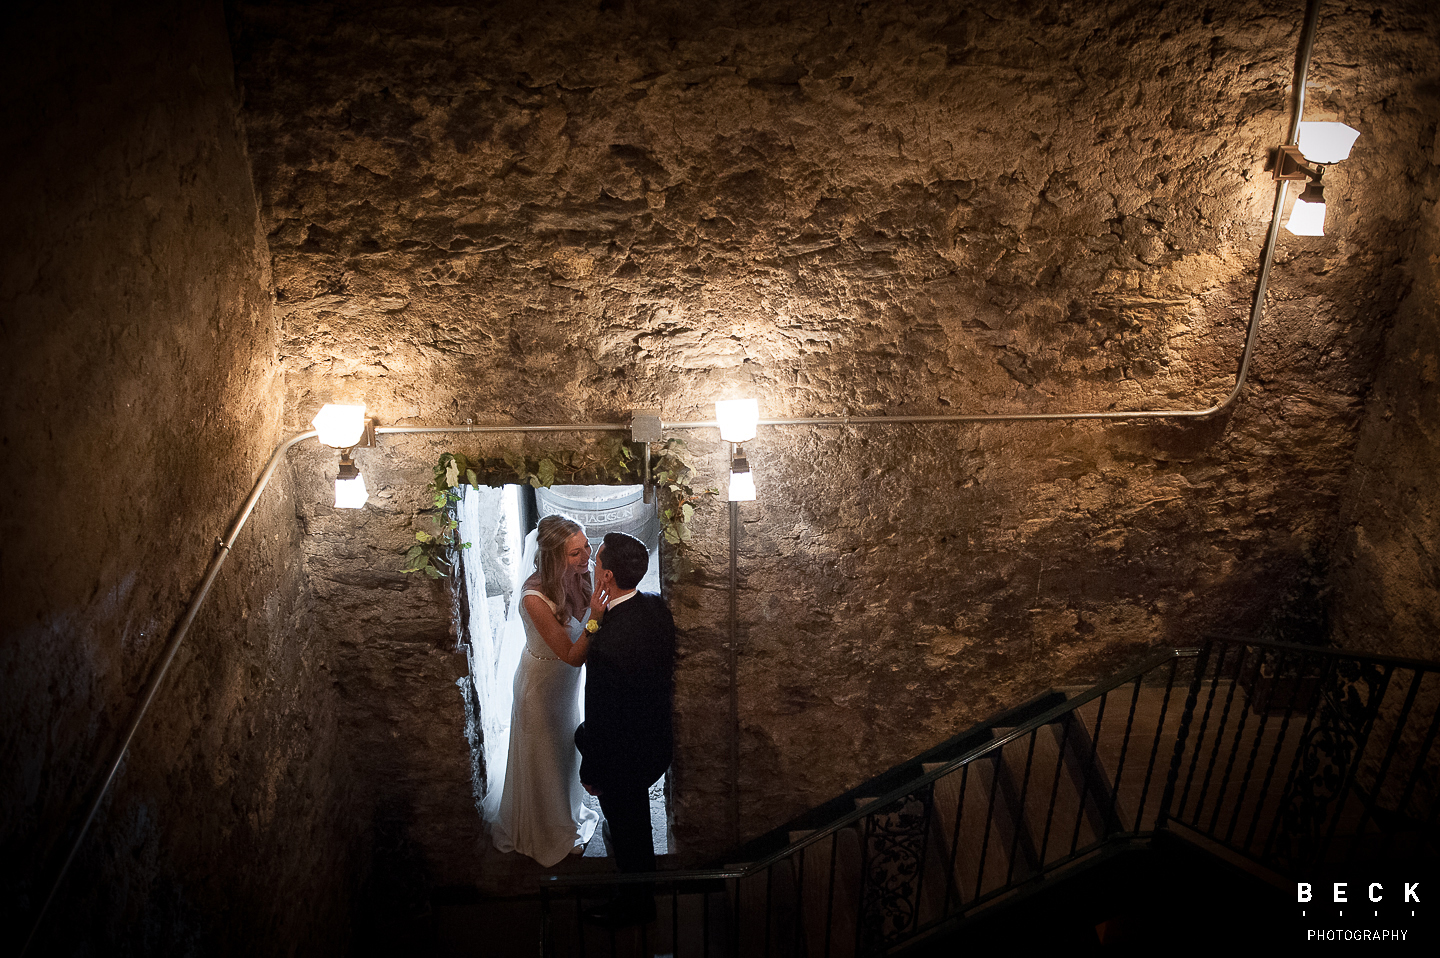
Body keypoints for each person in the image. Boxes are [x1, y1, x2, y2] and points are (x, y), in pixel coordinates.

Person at [574, 531, 676, 924]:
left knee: (630, 831)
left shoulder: (608, 641)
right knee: (634, 827)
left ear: (608, 577)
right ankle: (635, 891)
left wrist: (592, 770)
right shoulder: (655, 607)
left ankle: (635, 905)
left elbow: (600, 713)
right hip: (654, 742)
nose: (592, 565)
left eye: (597, 562)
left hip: (622, 758)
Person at [488, 515, 601, 866]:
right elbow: (571, 655)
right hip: (540, 687)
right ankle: (548, 832)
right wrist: (596, 616)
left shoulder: (585, 579)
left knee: (567, 752)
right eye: (575, 553)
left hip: (566, 691)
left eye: (586, 546)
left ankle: (567, 815)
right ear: (553, 557)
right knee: (545, 757)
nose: (587, 558)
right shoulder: (533, 598)